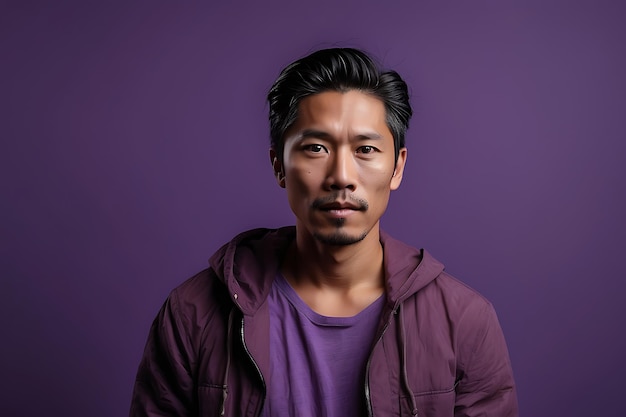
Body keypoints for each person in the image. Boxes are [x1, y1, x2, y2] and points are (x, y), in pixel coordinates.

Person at [129, 47, 518, 417]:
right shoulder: (193, 313)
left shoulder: (464, 321)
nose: (341, 177)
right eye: (315, 147)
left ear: (397, 167)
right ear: (279, 165)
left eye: (365, 150)